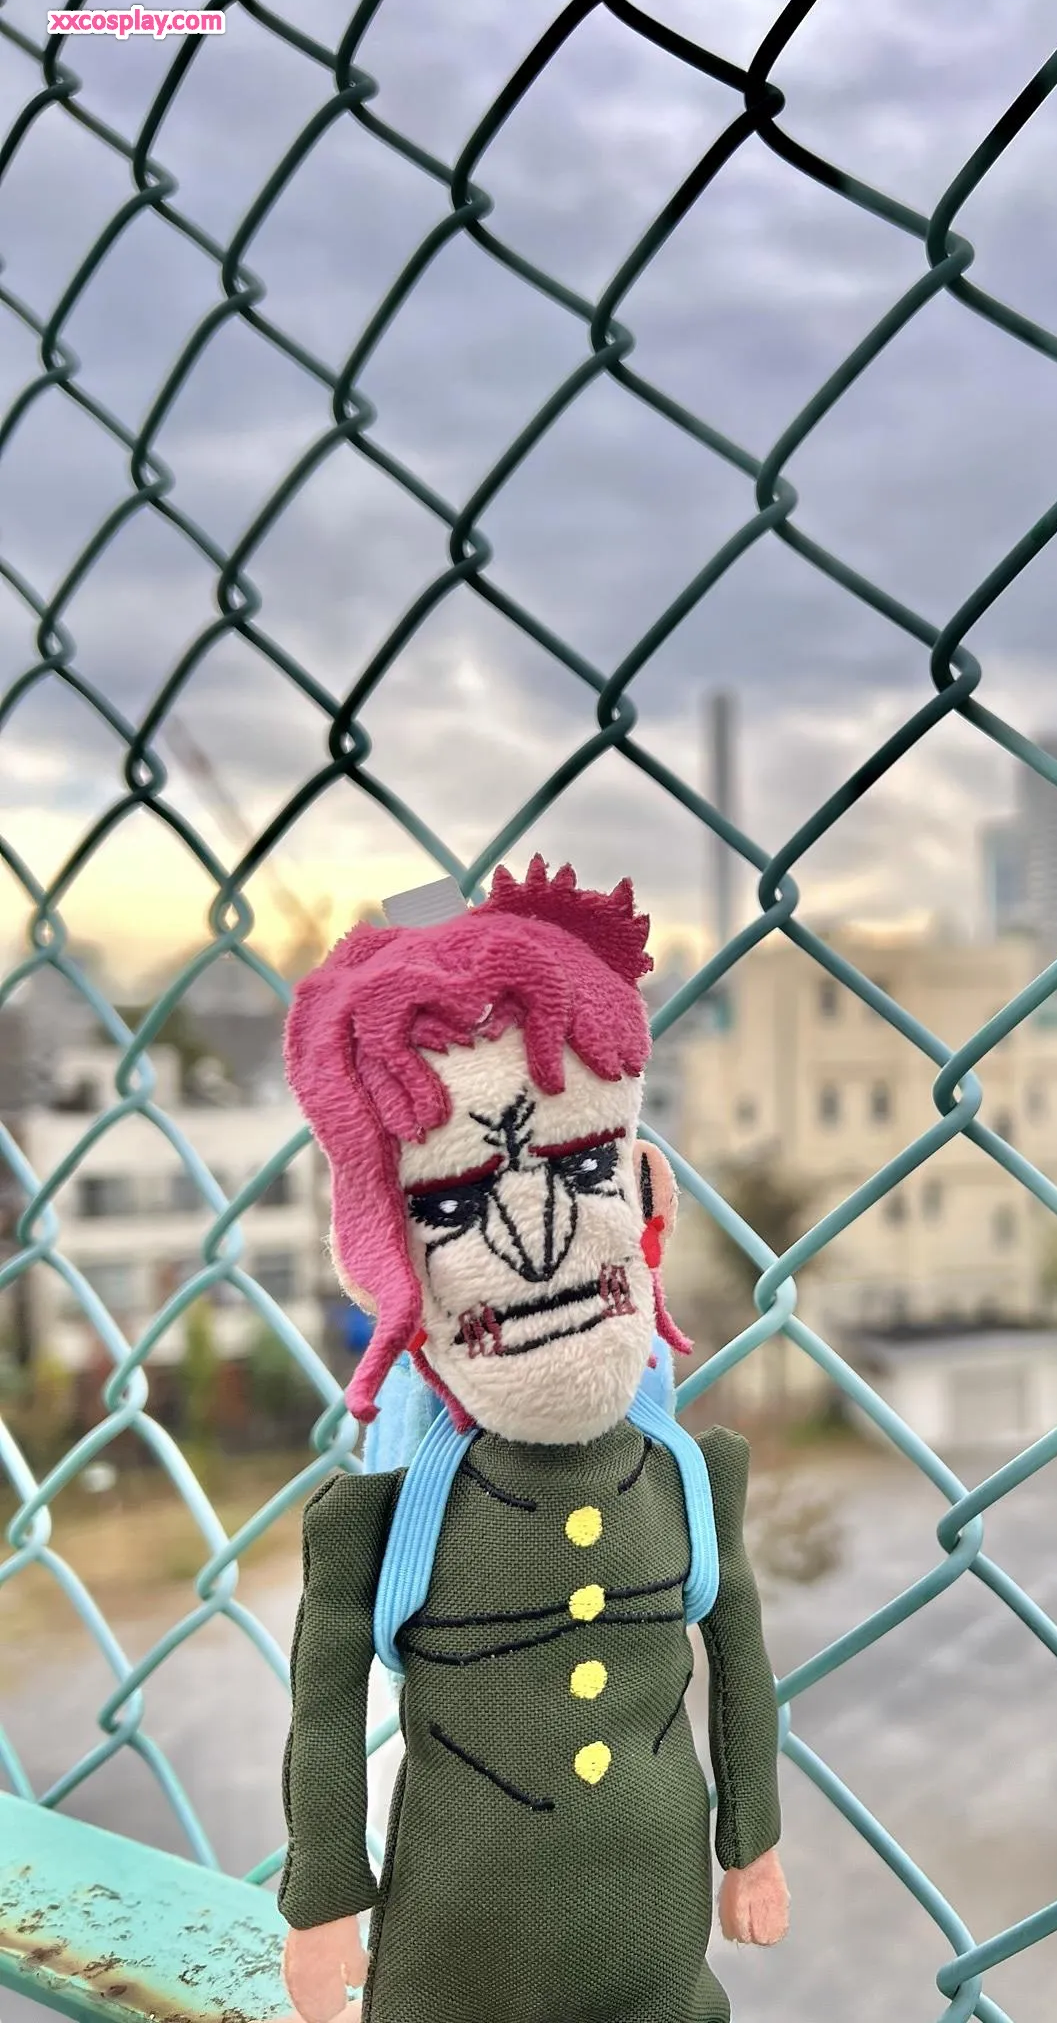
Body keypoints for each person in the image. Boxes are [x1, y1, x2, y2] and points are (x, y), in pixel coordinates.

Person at [277, 860, 788, 2023]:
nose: (539, 1235)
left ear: (644, 1187)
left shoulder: (689, 1481)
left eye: (587, 1165)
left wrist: (751, 1844)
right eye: (452, 1204)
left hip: (658, 1934)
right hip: (460, 1949)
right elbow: (325, 1706)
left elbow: (740, 1661)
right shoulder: (386, 1517)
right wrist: (323, 1899)